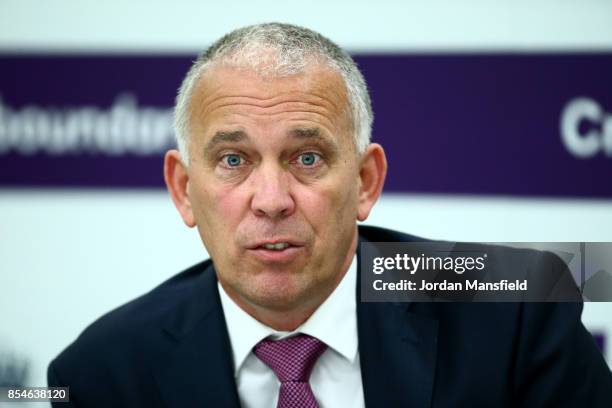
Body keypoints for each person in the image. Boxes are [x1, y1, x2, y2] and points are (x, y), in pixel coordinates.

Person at [48, 23, 612, 407]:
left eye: (308, 157)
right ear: (184, 190)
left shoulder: (516, 314)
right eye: (233, 160)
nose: (271, 199)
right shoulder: (100, 374)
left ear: (365, 182)